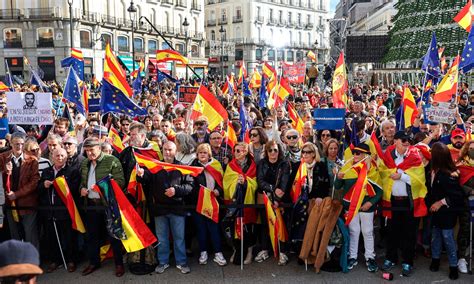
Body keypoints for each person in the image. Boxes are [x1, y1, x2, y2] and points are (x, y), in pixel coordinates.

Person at [137, 141, 193, 274]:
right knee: (162, 238)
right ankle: (163, 262)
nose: (167, 152)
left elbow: (190, 186)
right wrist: (141, 175)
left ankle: (181, 262)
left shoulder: (183, 167)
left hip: (177, 208)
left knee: (179, 237)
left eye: (170, 150)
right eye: (165, 150)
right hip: (159, 209)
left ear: (176, 151)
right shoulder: (155, 166)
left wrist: (176, 190)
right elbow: (146, 179)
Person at [380, 131, 427, 277]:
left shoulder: (414, 156)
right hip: (392, 201)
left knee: (410, 234)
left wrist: (402, 176)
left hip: (409, 203)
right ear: (395, 141)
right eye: (404, 139)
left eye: (409, 139)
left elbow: (420, 180)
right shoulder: (387, 155)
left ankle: (408, 262)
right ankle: (390, 258)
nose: (407, 142)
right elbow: (381, 173)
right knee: (392, 233)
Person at [79, 137, 126, 277]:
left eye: (92, 150)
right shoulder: (85, 163)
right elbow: (82, 181)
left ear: (99, 148)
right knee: (92, 236)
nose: (89, 154)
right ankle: (94, 262)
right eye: (86, 151)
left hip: (108, 205)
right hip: (91, 205)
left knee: (114, 235)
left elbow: (120, 182)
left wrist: (102, 187)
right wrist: (81, 189)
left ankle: (119, 264)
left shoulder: (112, 160)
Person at [335, 143, 382, 272]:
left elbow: (379, 191)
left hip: (367, 207)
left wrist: (370, 203)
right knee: (353, 231)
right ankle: (353, 256)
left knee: (367, 232)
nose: (355, 155)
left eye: (358, 153)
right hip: (350, 206)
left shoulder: (372, 169)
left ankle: (370, 257)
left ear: (366, 155)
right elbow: (338, 186)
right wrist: (338, 177)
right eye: (354, 153)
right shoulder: (346, 167)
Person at [38, 148, 81, 273]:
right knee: (52, 238)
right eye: (57, 155)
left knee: (69, 238)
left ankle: (71, 260)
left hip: (65, 210)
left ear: (66, 157)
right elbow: (38, 189)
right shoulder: (47, 171)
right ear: (52, 156)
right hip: (49, 210)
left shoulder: (72, 171)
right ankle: (55, 261)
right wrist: (43, 185)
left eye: (62, 155)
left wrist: (62, 185)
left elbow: (74, 190)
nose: (60, 158)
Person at [427, 142, 465, 280]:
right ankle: (435, 260)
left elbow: (457, 196)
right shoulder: (432, 170)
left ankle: (453, 266)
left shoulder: (448, 174)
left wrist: (440, 202)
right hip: (435, 212)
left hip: (447, 213)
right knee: (435, 237)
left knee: (448, 239)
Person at [0, 132, 40, 249]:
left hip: (27, 203)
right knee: (14, 235)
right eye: (16, 144)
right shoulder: (2, 158)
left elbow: (34, 182)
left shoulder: (32, 160)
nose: (19, 147)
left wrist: (16, 194)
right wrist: (4, 172)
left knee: (30, 234)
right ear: (10, 144)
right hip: (10, 204)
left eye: (22, 144)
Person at [190, 143, 227, 266]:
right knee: (201, 229)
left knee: (214, 228)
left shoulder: (216, 165)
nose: (202, 155)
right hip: (198, 203)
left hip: (213, 202)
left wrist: (218, 191)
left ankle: (218, 253)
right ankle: (203, 252)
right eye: (200, 152)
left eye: (204, 152)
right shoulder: (193, 166)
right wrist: (200, 194)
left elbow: (222, 182)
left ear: (209, 154)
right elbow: (190, 185)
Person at [256, 141, 290, 265]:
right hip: (264, 197)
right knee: (265, 223)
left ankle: (283, 252)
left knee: (281, 223)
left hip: (279, 198)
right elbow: (260, 181)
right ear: (266, 152)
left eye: (275, 150)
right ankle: (265, 249)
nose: (273, 153)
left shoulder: (284, 163)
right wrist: (272, 189)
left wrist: (276, 198)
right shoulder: (261, 163)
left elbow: (284, 183)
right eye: (270, 150)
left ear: (279, 151)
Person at [223, 142, 258, 265]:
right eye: (235, 150)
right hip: (235, 202)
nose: (236, 153)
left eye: (239, 151)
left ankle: (249, 252)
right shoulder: (230, 165)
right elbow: (226, 182)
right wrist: (236, 182)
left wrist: (245, 182)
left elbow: (255, 183)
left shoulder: (252, 165)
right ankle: (236, 250)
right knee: (234, 227)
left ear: (245, 152)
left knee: (248, 228)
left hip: (248, 202)